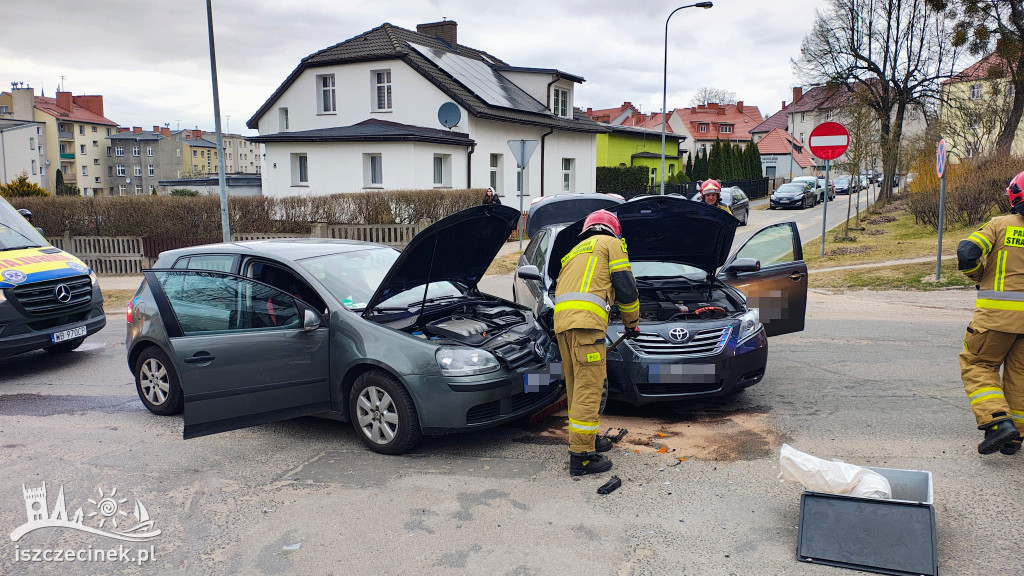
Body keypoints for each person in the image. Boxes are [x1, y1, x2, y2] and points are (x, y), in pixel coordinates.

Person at [553, 209, 640, 476]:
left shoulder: (576, 251)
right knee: (589, 389)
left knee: (578, 385)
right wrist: (631, 322)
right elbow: (625, 287)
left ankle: (588, 441)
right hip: (587, 327)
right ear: (613, 231)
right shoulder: (612, 244)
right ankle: (582, 458)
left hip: (564, 326)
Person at [956, 170, 1024, 455]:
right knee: (1020, 377)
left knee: (978, 365)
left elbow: (967, 252)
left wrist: (979, 275)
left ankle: (998, 423)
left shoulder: (1000, 225)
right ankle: (1014, 437)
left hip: (995, 318)